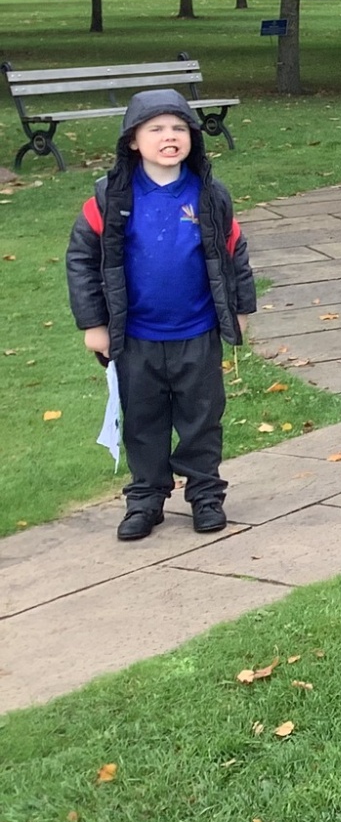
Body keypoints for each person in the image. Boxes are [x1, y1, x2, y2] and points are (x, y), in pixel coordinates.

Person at [66, 90, 256, 541]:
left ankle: (205, 495)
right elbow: (81, 260)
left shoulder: (210, 195)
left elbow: (235, 253)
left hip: (198, 332)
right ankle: (145, 500)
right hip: (136, 337)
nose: (169, 137)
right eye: (156, 129)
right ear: (133, 140)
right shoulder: (109, 198)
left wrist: (240, 309)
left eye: (178, 129)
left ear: (193, 137)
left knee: (201, 418)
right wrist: (94, 324)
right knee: (143, 421)